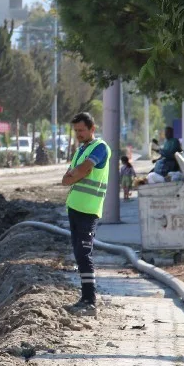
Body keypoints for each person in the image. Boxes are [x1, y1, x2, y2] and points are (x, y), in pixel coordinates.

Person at [61, 112, 111, 313]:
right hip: (75, 208)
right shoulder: (81, 150)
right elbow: (68, 176)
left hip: (88, 209)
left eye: (81, 130)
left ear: (92, 129)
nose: (78, 134)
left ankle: (90, 301)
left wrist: (74, 175)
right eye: (76, 131)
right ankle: (84, 298)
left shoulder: (100, 147)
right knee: (79, 255)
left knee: (84, 253)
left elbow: (83, 170)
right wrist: (73, 175)